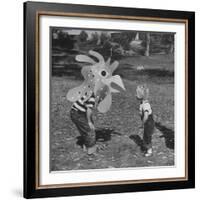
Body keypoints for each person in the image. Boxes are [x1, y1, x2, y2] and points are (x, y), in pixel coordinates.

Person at [136, 85, 155, 157]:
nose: (135, 95)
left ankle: (149, 151)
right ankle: (146, 146)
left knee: (148, 137)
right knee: (145, 136)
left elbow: (146, 116)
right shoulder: (142, 103)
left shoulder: (145, 105)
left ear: (141, 95)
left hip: (149, 123)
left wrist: (142, 123)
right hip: (147, 124)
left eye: (136, 94)